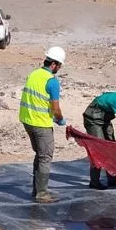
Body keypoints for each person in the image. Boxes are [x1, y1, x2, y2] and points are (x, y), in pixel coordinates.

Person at [19, 46, 66, 204]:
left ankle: (36, 190)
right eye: (59, 65)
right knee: (45, 156)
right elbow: (55, 107)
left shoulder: (34, 74)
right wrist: (60, 119)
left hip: (27, 120)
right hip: (41, 123)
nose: (59, 68)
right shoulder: (52, 82)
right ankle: (42, 193)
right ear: (54, 64)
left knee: (39, 155)